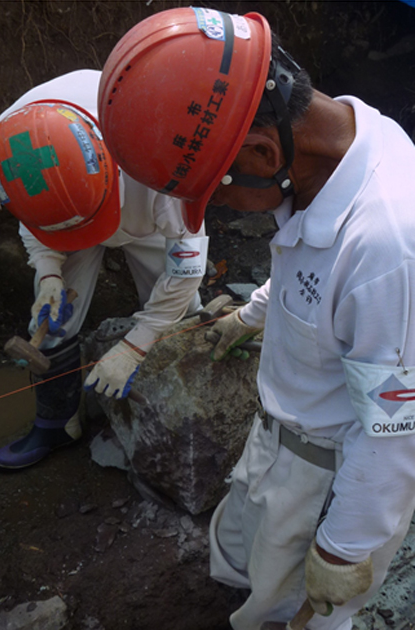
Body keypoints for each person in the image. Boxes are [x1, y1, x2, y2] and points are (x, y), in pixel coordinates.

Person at [96, 7, 415, 630]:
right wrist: (252, 314)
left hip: (327, 479)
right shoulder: (335, 154)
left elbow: (393, 432)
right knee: (248, 565)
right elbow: (312, 272)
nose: (218, 211)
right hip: (278, 438)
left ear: (265, 151)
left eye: (216, 192)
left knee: (298, 611)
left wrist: (341, 550)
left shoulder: (389, 247)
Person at [0, 69, 207, 470]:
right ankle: (56, 423)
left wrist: (137, 343)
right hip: (66, 214)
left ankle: (177, 421)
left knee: (181, 315)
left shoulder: (158, 153)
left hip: (145, 214)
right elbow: (32, 215)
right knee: (52, 317)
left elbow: (186, 268)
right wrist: (50, 270)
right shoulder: (9, 142)